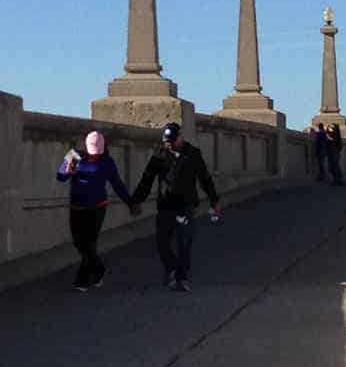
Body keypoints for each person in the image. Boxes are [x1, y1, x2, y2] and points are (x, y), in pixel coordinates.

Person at [130, 122, 221, 291]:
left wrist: (214, 200)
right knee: (162, 243)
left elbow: (205, 179)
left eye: (172, 140)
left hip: (185, 206)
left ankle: (182, 279)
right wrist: (136, 200)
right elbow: (147, 179)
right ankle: (171, 269)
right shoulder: (160, 155)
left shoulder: (193, 154)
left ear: (180, 137)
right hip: (165, 206)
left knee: (184, 243)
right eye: (166, 141)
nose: (169, 144)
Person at [55, 129, 134, 290]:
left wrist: (130, 202)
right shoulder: (74, 156)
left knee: (90, 243)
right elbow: (60, 177)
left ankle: (82, 281)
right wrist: (67, 170)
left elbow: (117, 184)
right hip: (77, 207)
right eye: (92, 154)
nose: (94, 157)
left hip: (97, 208)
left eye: (97, 154)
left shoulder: (107, 162)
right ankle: (99, 270)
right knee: (79, 243)